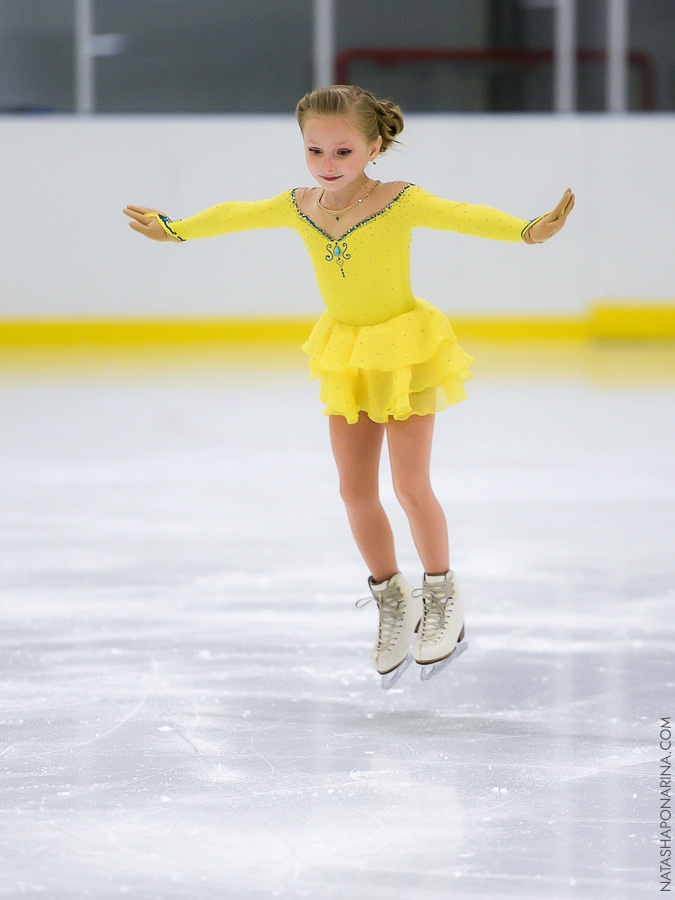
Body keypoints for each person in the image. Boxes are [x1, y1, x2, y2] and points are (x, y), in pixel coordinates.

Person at [124, 84, 574, 680]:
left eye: (341, 152)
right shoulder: (299, 204)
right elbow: (236, 214)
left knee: (411, 485)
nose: (326, 165)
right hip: (347, 353)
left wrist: (527, 230)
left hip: (405, 350)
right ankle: (394, 599)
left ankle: (441, 595)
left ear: (374, 146)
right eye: (314, 151)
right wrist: (174, 229)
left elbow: (460, 216)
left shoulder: (398, 199)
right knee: (354, 491)